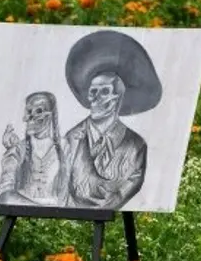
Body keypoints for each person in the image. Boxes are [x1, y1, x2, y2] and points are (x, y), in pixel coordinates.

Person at [62, 30, 161, 210]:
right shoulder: (71, 139)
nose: (96, 98)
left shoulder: (135, 146)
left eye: (105, 91)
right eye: (93, 92)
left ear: (118, 97)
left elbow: (120, 194)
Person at [0, 91, 67, 206]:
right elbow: (5, 197)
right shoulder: (17, 150)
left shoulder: (65, 149)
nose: (29, 118)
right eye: (28, 112)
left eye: (38, 111)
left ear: (50, 115)